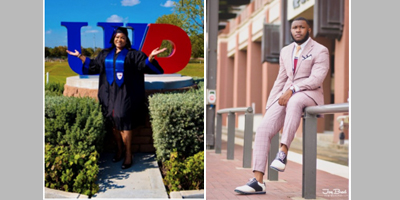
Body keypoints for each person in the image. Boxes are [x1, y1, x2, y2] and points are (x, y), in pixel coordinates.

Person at [234, 17, 329, 194]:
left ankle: (283, 152)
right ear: (291, 30)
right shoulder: (285, 51)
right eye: (294, 28)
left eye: (302, 27)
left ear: (308, 30)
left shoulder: (321, 50)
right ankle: (257, 181)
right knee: (263, 129)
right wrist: (270, 105)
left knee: (295, 101)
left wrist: (293, 89)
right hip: (285, 93)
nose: (298, 30)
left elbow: (316, 79)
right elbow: (281, 79)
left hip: (309, 93)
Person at [67, 27, 167, 170]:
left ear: (126, 40)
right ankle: (119, 149)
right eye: (117, 37)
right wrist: (80, 56)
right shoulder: (105, 54)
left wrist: (150, 57)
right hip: (108, 93)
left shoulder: (134, 55)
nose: (119, 40)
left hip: (126, 93)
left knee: (124, 119)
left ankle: (128, 153)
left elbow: (143, 66)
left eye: (122, 38)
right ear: (113, 39)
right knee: (112, 121)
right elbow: (94, 66)